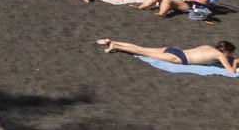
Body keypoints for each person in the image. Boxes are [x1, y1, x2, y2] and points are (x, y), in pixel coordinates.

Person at [97, 39, 239, 74]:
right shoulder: (220, 55)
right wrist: (235, 62)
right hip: (178, 59)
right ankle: (115, 46)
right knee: (141, 52)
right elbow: (231, 71)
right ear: (226, 52)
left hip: (174, 50)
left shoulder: (208, 47)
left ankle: (112, 41)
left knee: (142, 48)